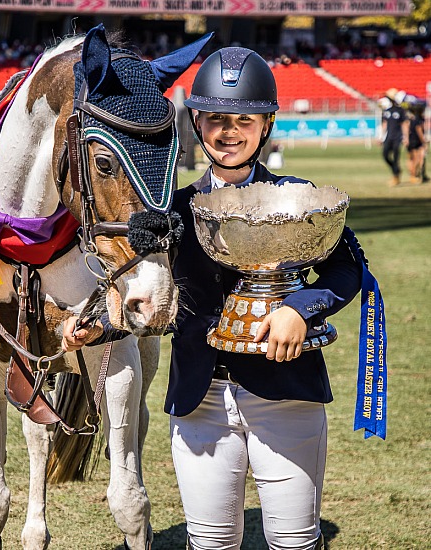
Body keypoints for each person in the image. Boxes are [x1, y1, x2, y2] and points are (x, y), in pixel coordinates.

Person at [63, 47, 363, 550]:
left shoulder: (298, 196)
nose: (229, 132)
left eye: (244, 119)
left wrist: (298, 308)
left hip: (287, 392)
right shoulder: (171, 208)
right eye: (216, 119)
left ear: (265, 125)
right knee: (210, 541)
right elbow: (155, 294)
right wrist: (106, 326)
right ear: (197, 122)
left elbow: (346, 268)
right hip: (200, 401)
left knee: (294, 540)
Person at [380, 88, 409, 186]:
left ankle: (395, 177)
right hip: (389, 137)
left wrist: (406, 137)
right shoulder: (386, 111)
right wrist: (381, 137)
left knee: (396, 157)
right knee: (385, 155)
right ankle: (396, 170)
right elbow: (384, 124)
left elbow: (404, 124)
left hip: (398, 137)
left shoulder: (401, 111)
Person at [405, 97, 427, 184]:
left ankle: (414, 174)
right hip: (416, 141)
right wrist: (423, 141)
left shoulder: (412, 118)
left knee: (413, 159)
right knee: (417, 159)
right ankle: (413, 175)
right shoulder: (419, 119)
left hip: (411, 140)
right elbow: (419, 130)